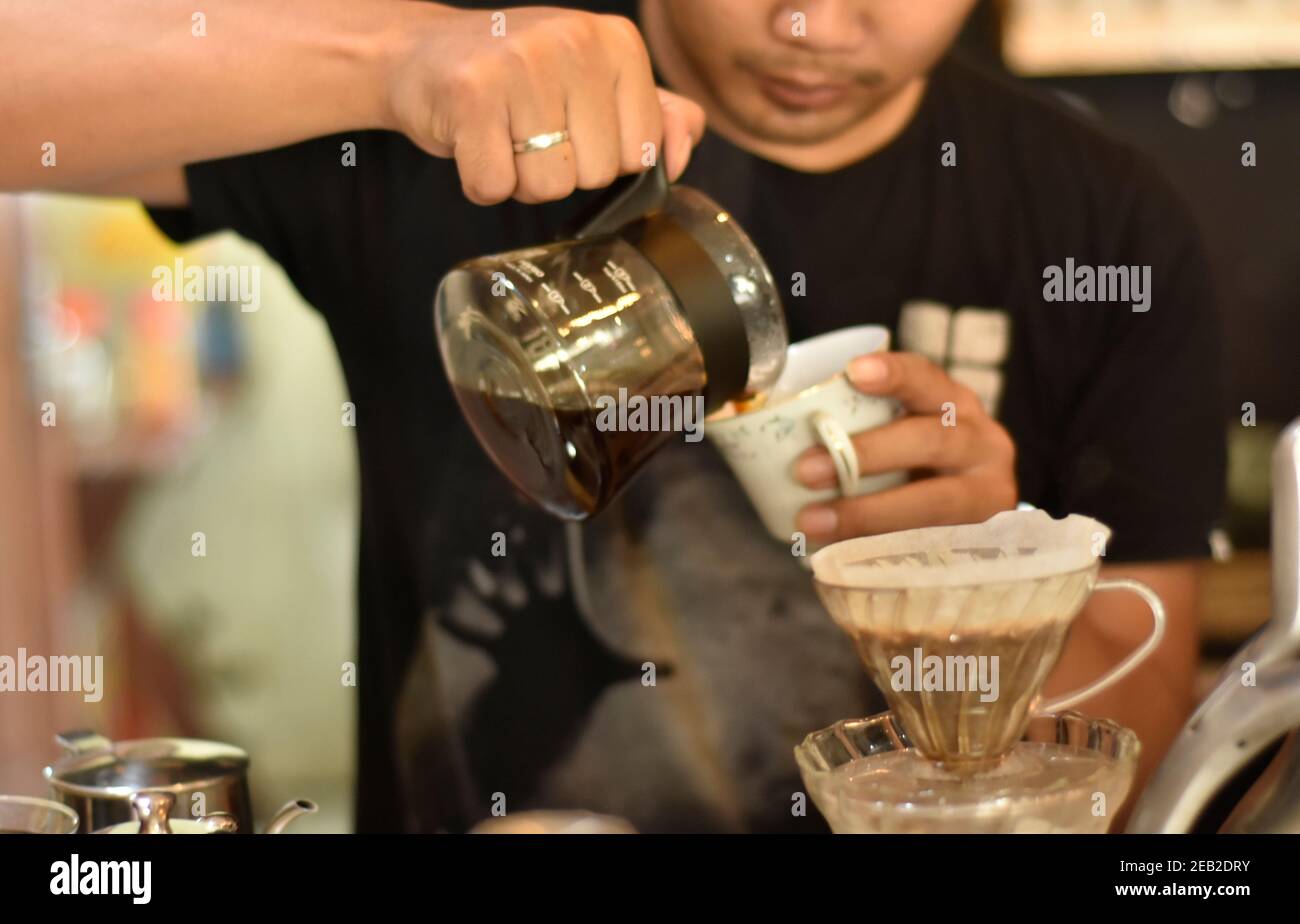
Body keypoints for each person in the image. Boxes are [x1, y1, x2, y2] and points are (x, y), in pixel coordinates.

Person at [3, 0, 1224, 832]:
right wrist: (387, 61)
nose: (816, 21)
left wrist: (995, 591)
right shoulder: (472, 97)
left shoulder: (1101, 222)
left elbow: (1146, 691)